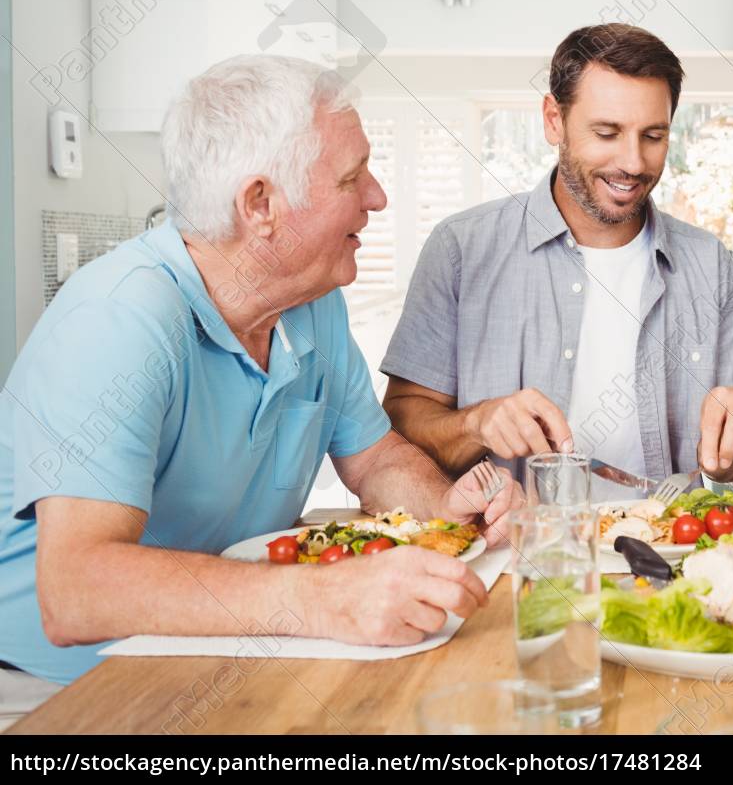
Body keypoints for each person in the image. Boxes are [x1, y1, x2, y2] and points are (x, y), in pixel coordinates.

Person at [0, 56, 521, 721]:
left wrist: (445, 508)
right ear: (260, 204)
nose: (378, 196)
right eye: (352, 177)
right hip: (55, 685)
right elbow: (73, 591)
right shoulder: (119, 319)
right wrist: (325, 596)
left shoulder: (310, 303)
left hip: (210, 647)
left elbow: (376, 457)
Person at [381, 24, 733, 489]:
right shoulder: (461, 249)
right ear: (553, 120)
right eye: (607, 132)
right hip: (509, 548)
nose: (633, 162)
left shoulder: (707, 262)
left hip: (665, 545)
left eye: (653, 135)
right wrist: (477, 422)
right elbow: (401, 424)